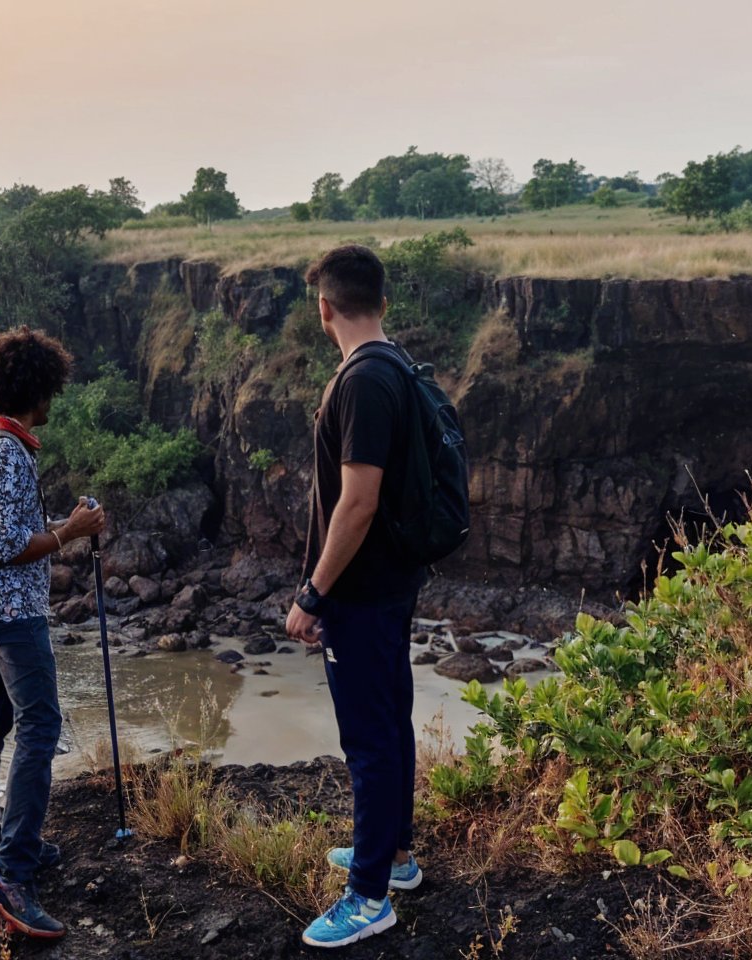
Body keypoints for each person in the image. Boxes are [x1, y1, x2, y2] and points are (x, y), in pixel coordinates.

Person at [284, 244, 428, 949]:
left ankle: (369, 896)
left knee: (368, 741)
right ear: (382, 301)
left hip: (364, 590)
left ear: (324, 308)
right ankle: (395, 858)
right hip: (390, 581)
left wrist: (314, 593)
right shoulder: (395, 363)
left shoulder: (363, 381)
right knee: (391, 721)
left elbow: (358, 502)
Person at [0, 326, 107, 940]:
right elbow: (14, 545)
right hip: (13, 613)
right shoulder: (8, 454)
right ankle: (7, 871)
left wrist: (65, 524)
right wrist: (72, 532)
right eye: (49, 388)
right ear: (32, 387)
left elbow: (8, 530)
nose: (54, 399)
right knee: (40, 726)